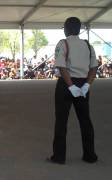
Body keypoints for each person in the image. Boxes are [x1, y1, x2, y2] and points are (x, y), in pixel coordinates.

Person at [48, 17, 98, 164]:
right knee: (85, 120)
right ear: (79, 29)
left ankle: (59, 157)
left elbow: (61, 67)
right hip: (83, 84)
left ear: (66, 29)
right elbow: (94, 67)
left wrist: (70, 86)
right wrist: (87, 85)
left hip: (66, 84)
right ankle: (90, 155)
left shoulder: (63, 43)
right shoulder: (88, 46)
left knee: (61, 121)